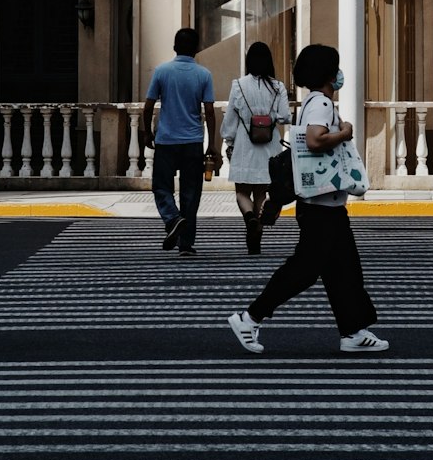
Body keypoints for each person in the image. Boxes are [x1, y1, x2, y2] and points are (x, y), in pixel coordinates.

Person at [228, 42, 387, 355]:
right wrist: (346, 132)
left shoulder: (315, 101)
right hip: (320, 206)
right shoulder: (322, 105)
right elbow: (315, 140)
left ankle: (353, 331)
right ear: (329, 73)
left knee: (344, 269)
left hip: (324, 204)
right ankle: (250, 317)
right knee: (303, 270)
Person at [142, 27, 218, 257]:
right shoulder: (204, 75)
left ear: (174, 47)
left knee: (161, 186)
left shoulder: (162, 71)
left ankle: (172, 217)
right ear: (197, 49)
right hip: (193, 140)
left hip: (167, 140)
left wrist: (147, 133)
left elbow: (148, 106)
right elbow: (210, 112)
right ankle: (186, 244)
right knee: (191, 192)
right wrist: (211, 143)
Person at [220, 41, 291, 254]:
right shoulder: (278, 86)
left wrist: (229, 140)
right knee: (261, 192)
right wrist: (269, 118)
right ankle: (256, 233)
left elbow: (231, 118)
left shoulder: (238, 85)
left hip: (244, 143)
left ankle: (250, 218)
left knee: (242, 192)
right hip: (269, 145)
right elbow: (285, 116)